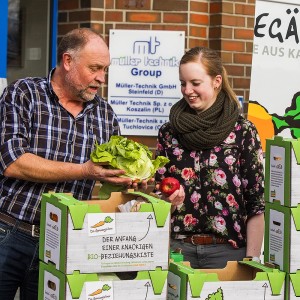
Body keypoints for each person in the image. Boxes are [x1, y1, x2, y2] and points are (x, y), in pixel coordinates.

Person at [0, 28, 140, 300]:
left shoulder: (105, 114)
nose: (101, 78)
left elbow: (112, 179)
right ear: (67, 61)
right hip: (9, 233)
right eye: (95, 68)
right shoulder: (24, 94)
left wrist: (131, 181)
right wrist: (86, 171)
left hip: (64, 242)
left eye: (105, 69)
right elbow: (12, 162)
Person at [155, 46, 265, 269]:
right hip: (177, 250)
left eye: (195, 83)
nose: (187, 90)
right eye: (183, 83)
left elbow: (256, 204)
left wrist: (251, 262)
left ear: (216, 81)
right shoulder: (169, 132)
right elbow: (157, 199)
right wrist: (169, 203)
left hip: (229, 253)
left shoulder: (243, 131)